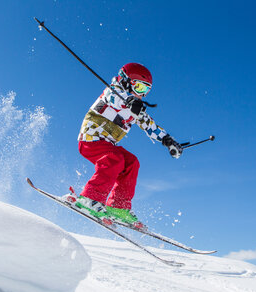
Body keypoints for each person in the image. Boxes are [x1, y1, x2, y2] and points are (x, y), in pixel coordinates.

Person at [74, 63, 183, 228]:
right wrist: (130, 99)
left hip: (106, 144)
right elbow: (115, 98)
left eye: (145, 91)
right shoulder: (113, 92)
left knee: (132, 162)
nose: (142, 94)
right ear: (125, 81)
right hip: (90, 140)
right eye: (138, 87)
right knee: (114, 159)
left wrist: (167, 140)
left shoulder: (135, 108)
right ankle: (90, 198)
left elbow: (149, 125)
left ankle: (119, 206)